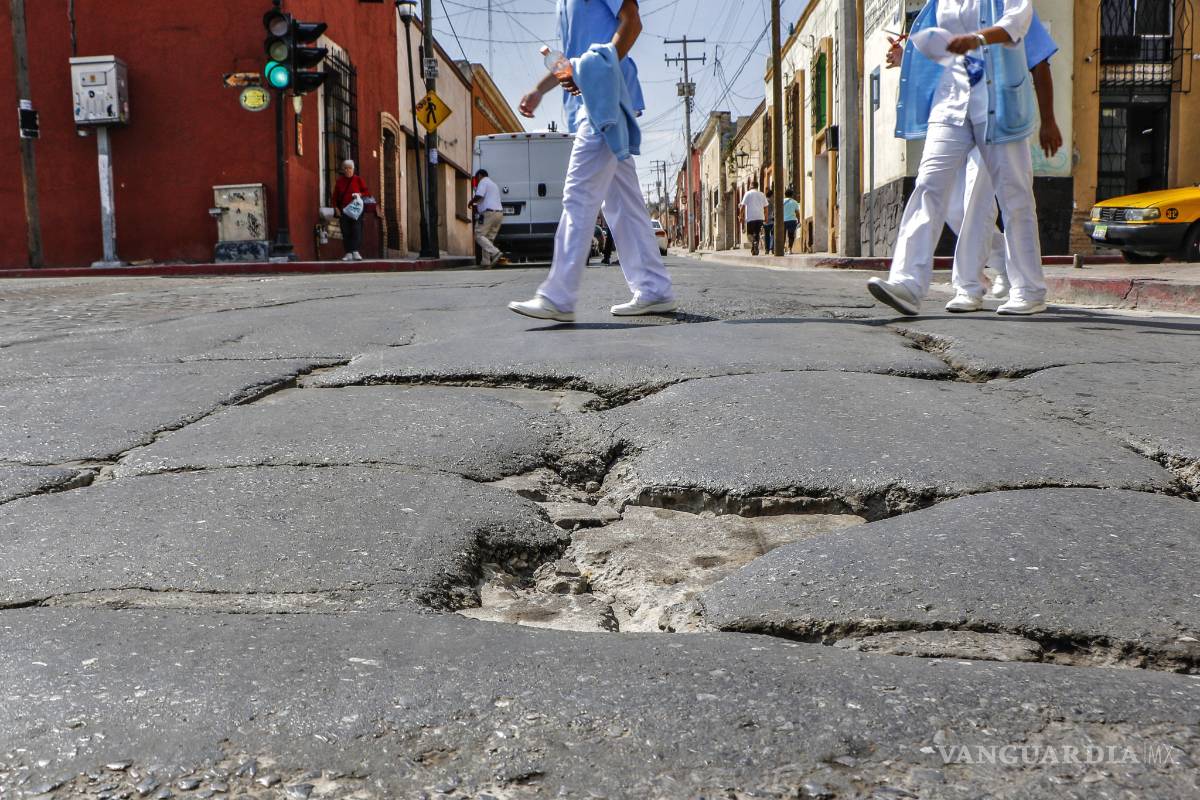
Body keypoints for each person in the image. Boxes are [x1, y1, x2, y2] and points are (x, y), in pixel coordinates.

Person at [868, 0, 1047, 316]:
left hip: (997, 102)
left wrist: (976, 39)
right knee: (928, 185)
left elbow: (1016, 23)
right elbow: (943, 46)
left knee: (1013, 195)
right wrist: (910, 52)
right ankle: (907, 283)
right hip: (950, 101)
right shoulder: (939, 2)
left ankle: (1028, 289)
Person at [507, 0, 676, 323]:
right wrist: (539, 90)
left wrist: (599, 69)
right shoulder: (562, 4)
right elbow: (572, 62)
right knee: (623, 203)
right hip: (590, 102)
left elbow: (632, 22)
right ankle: (654, 288)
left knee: (578, 193)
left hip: (606, 96)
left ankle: (558, 296)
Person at [929, 13, 1062, 311]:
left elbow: (1039, 63)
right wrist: (906, 56)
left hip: (1001, 119)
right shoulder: (948, 11)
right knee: (954, 206)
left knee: (983, 199)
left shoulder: (1011, 9)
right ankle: (998, 267)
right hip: (957, 119)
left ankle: (975, 286)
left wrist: (1049, 121)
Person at [470, 169, 509, 268]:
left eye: (476, 178)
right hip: (499, 214)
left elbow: (479, 195)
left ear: (479, 176)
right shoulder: (494, 184)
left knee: (478, 235)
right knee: (488, 238)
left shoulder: (483, 181)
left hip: (488, 213)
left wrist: (471, 202)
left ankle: (495, 252)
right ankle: (486, 262)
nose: (477, 181)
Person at [332, 159, 368, 262]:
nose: (348, 170)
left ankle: (355, 251)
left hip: (356, 210)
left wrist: (360, 194)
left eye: (350, 168)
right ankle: (348, 253)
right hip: (344, 210)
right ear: (343, 170)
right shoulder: (339, 181)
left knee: (356, 230)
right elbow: (334, 197)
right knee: (346, 231)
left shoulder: (358, 180)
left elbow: (366, 192)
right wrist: (336, 208)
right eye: (346, 168)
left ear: (353, 169)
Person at [739, 181, 768, 255]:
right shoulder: (762, 194)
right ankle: (754, 247)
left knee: (750, 234)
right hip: (760, 217)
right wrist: (766, 217)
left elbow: (743, 206)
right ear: (757, 186)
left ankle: (754, 243)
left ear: (751, 186)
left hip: (750, 218)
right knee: (757, 233)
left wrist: (740, 216)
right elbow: (766, 207)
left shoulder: (748, 193)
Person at [782, 188, 800, 253]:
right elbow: (797, 212)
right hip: (792, 220)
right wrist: (798, 220)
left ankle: (782, 248)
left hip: (783, 221)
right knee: (791, 235)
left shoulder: (782, 201)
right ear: (792, 195)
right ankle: (790, 249)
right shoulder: (794, 202)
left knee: (782, 235)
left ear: (785, 194)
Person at [764, 188, 776, 253]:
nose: (774, 197)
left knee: (767, 236)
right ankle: (773, 248)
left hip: (765, 221)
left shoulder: (764, 201)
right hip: (771, 221)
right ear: (771, 195)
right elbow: (773, 211)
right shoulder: (770, 202)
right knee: (773, 235)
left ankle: (767, 249)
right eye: (773, 196)